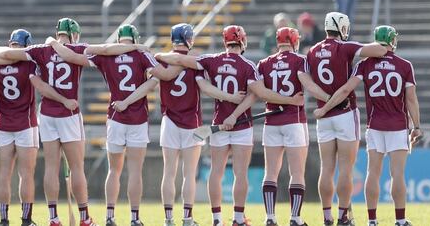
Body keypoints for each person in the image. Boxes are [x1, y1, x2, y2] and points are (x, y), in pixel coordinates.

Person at [157, 25, 304, 226]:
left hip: (219, 123)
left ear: (225, 42)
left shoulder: (211, 60)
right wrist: (235, 116)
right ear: (242, 42)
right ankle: (237, 219)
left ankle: (217, 220)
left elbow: (180, 59)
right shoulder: (248, 65)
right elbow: (257, 93)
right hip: (241, 126)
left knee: (216, 172)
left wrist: (158, 55)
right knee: (240, 173)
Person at [0, 18, 122, 226]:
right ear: (74, 34)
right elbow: (106, 49)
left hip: (47, 114)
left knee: (51, 167)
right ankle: (84, 218)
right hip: (69, 114)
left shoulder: (40, 50)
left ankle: (53, 217)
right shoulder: (78, 48)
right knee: (77, 167)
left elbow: (5, 53)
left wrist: (48, 44)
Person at [117, 24, 244, 226]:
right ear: (189, 39)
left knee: (169, 172)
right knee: (188, 174)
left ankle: (168, 219)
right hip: (192, 123)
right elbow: (206, 88)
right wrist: (230, 97)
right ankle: (187, 218)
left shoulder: (161, 60)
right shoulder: (195, 62)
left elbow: (149, 85)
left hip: (169, 121)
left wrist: (126, 101)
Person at [56, 24, 176, 226]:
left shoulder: (106, 55)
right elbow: (163, 76)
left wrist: (53, 43)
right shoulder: (142, 54)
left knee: (114, 170)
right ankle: (134, 218)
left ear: (119, 39)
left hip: (115, 117)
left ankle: (109, 216)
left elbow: (74, 58)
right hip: (137, 119)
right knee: (135, 171)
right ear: (135, 39)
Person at [315, 25, 421, 226]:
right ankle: (399, 220)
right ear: (392, 40)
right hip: (398, 125)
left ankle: (372, 220)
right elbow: (411, 99)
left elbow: (346, 89)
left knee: (373, 173)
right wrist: (417, 126)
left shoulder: (365, 64)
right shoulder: (404, 65)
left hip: (375, 124)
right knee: (397, 174)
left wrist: (325, 108)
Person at [306, 12, 387, 226]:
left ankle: (326, 216)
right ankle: (343, 215)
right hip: (344, 113)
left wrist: (324, 103)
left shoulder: (312, 51)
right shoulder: (345, 47)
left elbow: (308, 82)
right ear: (341, 27)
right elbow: (380, 49)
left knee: (326, 168)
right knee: (346, 168)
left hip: (322, 116)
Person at [257, 27, 331, 226]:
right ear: (294, 41)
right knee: (297, 173)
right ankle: (295, 218)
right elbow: (309, 85)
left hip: (271, 122)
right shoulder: (300, 60)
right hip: (293, 122)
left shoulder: (264, 63)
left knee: (270, 172)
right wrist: (328, 99)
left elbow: (260, 92)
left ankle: (270, 218)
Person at [0, 29, 40, 226]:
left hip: (4, 124)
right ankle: (26, 219)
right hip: (26, 123)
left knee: (3, 173)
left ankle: (4, 219)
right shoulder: (30, 62)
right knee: (26, 174)